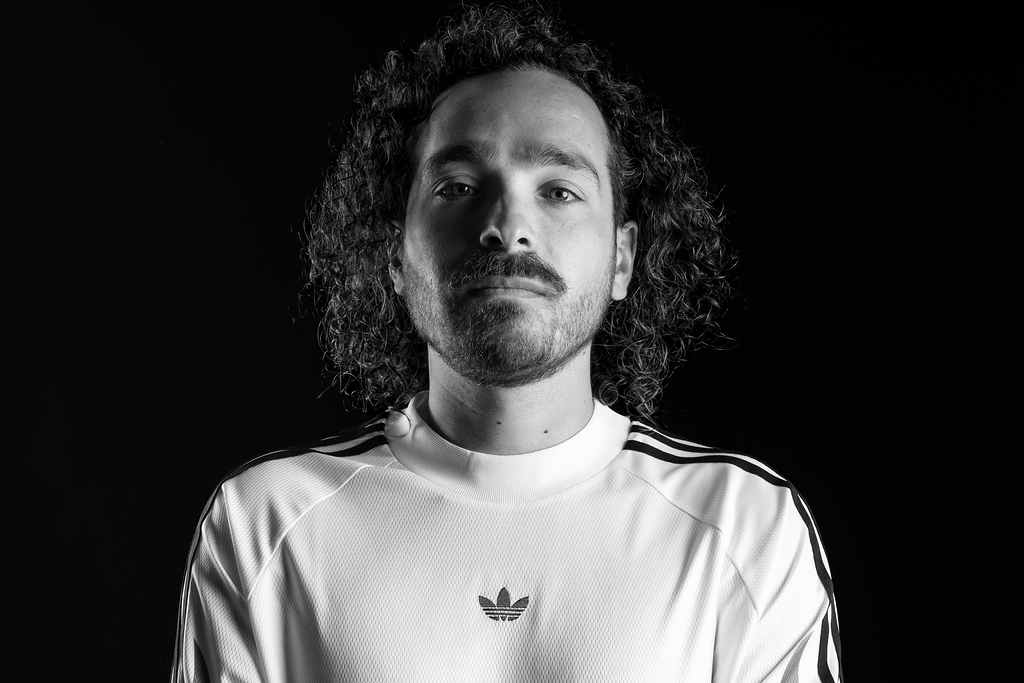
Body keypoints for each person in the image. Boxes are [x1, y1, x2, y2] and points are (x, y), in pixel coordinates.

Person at [171, 4, 842, 681]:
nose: (506, 225)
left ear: (622, 258)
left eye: (559, 191)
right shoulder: (265, 523)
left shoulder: (745, 528)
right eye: (459, 187)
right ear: (395, 254)